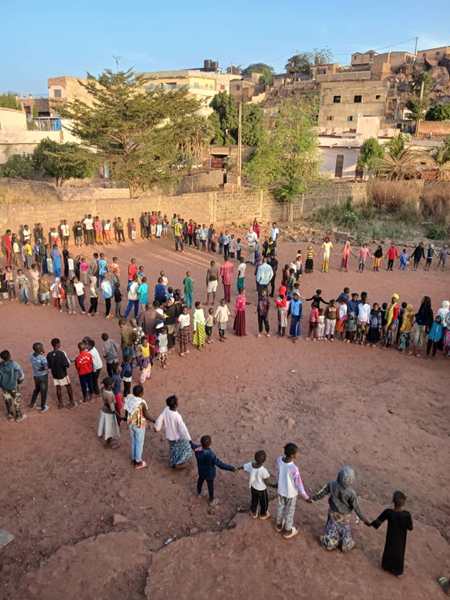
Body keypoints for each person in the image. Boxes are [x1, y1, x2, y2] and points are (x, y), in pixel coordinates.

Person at [311, 465, 370, 552]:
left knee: (332, 526)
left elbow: (322, 493)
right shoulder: (352, 493)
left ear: (339, 476)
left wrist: (313, 499)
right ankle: (346, 543)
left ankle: (330, 542)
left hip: (333, 512)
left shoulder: (331, 484)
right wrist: (364, 519)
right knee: (345, 528)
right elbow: (357, 508)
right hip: (345, 516)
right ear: (351, 480)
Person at [370, 491, 413, 577]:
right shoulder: (406, 515)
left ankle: (386, 566)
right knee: (399, 552)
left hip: (391, 537)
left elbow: (377, 522)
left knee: (388, 549)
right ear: (403, 503)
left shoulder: (388, 512)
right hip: (400, 539)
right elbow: (410, 528)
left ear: (393, 501)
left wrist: (369, 523)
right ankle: (397, 571)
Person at [275, 443, 311, 539]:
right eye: (296, 453)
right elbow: (299, 484)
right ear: (292, 455)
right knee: (289, 512)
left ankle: (278, 525)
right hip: (291, 494)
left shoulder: (279, 460)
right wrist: (306, 497)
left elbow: (278, 472)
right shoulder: (294, 468)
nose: (297, 454)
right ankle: (288, 530)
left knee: (280, 507)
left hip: (281, 490)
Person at [191, 435, 236, 506]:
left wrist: (189, 441)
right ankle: (211, 500)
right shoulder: (210, 455)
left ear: (201, 442)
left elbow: (192, 445)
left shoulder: (197, 449)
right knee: (210, 486)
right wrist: (231, 468)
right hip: (209, 474)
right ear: (210, 444)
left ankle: (199, 493)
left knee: (200, 481)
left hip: (201, 471)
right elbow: (220, 465)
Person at [154, 395, 192, 469]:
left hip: (169, 436)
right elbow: (183, 429)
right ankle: (177, 463)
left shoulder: (166, 409)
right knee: (186, 448)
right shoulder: (177, 416)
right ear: (175, 405)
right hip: (177, 437)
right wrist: (189, 439)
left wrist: (157, 427)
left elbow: (160, 418)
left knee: (173, 449)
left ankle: (173, 462)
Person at [124, 384, 154, 470]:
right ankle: (138, 462)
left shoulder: (129, 398)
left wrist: (126, 418)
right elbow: (146, 415)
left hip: (131, 423)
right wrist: (154, 420)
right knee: (139, 443)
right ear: (141, 393)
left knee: (134, 441)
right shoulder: (142, 403)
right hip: (139, 425)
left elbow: (126, 410)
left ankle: (134, 458)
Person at [239, 450, 271, 520]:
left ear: (255, 458)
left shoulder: (251, 465)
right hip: (262, 490)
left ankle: (254, 512)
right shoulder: (263, 470)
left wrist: (237, 468)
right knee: (264, 502)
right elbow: (267, 481)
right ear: (264, 460)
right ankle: (263, 514)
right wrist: (273, 485)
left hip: (253, 488)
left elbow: (243, 466)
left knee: (254, 500)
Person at [46, 338, 74, 408]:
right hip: (63, 374)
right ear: (58, 344)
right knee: (68, 387)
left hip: (55, 375)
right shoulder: (61, 353)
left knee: (58, 388)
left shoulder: (49, 354)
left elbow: (48, 366)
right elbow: (66, 364)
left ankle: (60, 403)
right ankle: (72, 402)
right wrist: (69, 363)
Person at [0, 350, 25, 422]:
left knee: (7, 400)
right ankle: (18, 416)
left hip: (4, 387)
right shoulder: (14, 364)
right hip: (14, 386)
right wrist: (21, 380)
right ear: (9, 356)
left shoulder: (0, 365)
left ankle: (10, 415)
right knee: (16, 399)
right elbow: (21, 373)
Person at [97, 377, 121, 448]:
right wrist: (118, 415)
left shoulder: (103, 389)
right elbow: (112, 408)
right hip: (109, 413)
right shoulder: (110, 394)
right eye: (112, 384)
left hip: (104, 410)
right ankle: (108, 443)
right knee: (109, 428)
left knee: (106, 426)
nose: (113, 385)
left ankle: (107, 440)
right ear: (109, 385)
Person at [29, 342, 49, 412]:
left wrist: (41, 352)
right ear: (40, 349)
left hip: (36, 376)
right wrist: (44, 368)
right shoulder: (42, 358)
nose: (43, 348)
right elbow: (46, 367)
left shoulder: (31, 355)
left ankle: (32, 404)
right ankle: (43, 407)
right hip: (43, 376)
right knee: (43, 391)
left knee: (36, 389)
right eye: (42, 347)